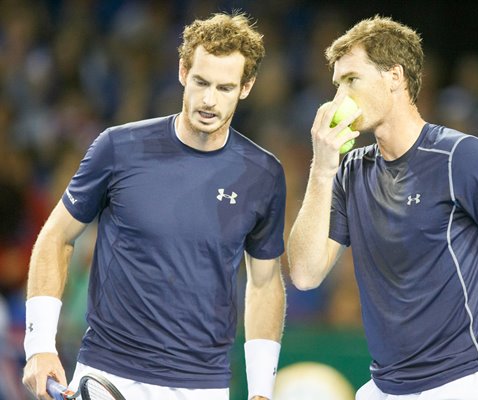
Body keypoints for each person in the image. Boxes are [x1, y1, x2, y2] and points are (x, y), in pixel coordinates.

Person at [287, 15, 478, 400]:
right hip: (385, 387)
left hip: (466, 383)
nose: (338, 99)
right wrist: (321, 169)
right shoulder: (348, 170)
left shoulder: (462, 157)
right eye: (337, 85)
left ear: (395, 76)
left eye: (352, 80)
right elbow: (304, 273)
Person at [22, 12, 286, 400]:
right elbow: (55, 237)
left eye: (225, 87)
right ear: (182, 71)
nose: (209, 100)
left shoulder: (264, 174)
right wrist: (39, 344)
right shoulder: (117, 147)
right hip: (108, 371)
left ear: (247, 87)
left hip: (203, 385)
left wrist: (262, 389)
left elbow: (264, 283)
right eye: (200, 82)